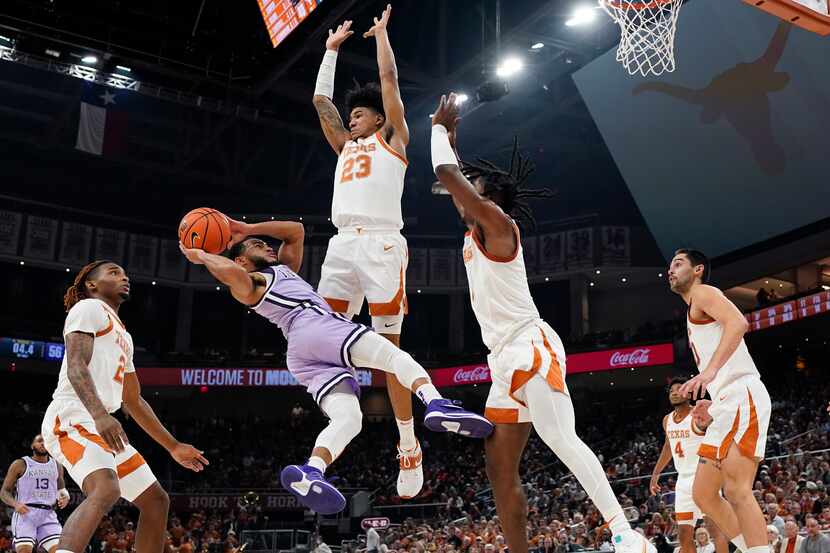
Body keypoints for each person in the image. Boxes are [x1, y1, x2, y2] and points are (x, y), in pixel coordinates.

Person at [429, 92, 655, 553]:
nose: (459, 198)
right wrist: (452, 141)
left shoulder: (499, 225)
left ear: (485, 196)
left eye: (471, 189)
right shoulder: (474, 228)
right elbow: (454, 182)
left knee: (559, 437)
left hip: (530, 344)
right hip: (501, 359)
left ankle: (625, 533)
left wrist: (437, 132)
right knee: (498, 467)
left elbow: (448, 178)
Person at [178, 218, 492, 515]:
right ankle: (435, 402)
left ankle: (312, 470)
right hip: (317, 328)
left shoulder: (282, 270)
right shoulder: (252, 283)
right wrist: (201, 254)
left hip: (303, 355)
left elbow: (295, 232)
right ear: (242, 261)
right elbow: (233, 275)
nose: (267, 245)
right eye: (257, 245)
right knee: (395, 357)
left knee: (350, 419)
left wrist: (244, 228)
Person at [311, 4, 422, 499]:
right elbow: (321, 103)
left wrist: (380, 37)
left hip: (380, 243)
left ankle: (407, 442)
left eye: (360, 112)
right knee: (324, 340)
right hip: (341, 246)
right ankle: (340, 428)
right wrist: (330, 52)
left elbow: (389, 79)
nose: (351, 118)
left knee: (389, 353)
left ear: (378, 118)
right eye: (351, 114)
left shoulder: (394, 139)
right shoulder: (345, 146)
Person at [41, 260, 208, 553]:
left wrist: (173, 446)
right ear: (91, 285)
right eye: (114, 273)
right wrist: (100, 414)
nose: (124, 277)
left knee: (156, 500)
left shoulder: (124, 336)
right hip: (74, 415)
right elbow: (76, 366)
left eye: (125, 273)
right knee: (106, 488)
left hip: (102, 423)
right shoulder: (88, 308)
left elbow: (133, 399)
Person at [668, 249, 772, 553]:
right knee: (704, 494)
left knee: (736, 490)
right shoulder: (692, 312)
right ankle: (755, 548)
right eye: (670, 266)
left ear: (698, 269)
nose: (670, 270)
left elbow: (738, 323)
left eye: (677, 264)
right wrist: (711, 404)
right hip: (725, 400)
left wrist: (710, 373)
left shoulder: (703, 292)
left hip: (742, 393)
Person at [649, 378, 729, 553]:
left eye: (679, 389)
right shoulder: (667, 420)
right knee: (684, 534)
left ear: (689, 392)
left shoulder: (699, 414)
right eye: (671, 391)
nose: (675, 392)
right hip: (683, 480)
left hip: (704, 476)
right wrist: (655, 474)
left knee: (714, 528)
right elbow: (668, 447)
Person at [0, 435, 69, 553]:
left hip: (48, 514)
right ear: (32, 445)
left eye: (45, 441)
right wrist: (15, 504)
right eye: (39, 441)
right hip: (26, 514)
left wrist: (64, 497)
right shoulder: (20, 464)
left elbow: (61, 489)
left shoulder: (57, 465)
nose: (43, 443)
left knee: (60, 550)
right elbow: (4, 492)